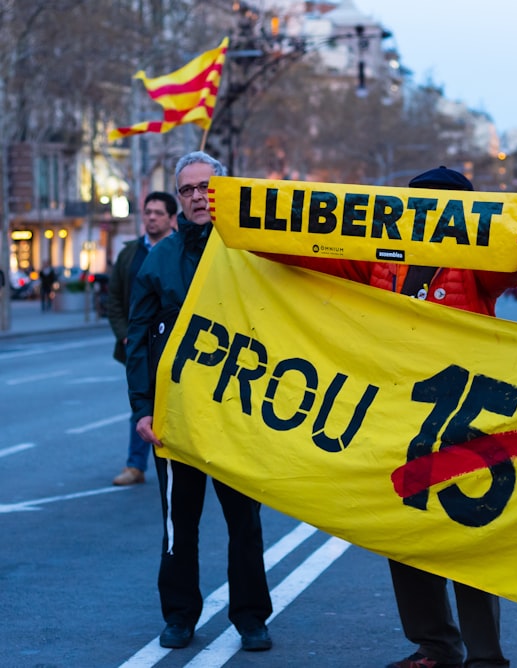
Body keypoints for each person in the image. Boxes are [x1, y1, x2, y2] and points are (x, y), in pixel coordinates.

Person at [263, 166, 517, 668]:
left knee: (465, 532)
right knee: (404, 528)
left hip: (460, 416)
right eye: (418, 206)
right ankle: (434, 645)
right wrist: (255, 232)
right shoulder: (382, 259)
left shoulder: (475, 262)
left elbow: (509, 270)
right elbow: (316, 253)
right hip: (398, 414)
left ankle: (485, 657)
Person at [126, 151, 273, 652]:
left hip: (236, 415)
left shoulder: (250, 251)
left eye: (204, 187)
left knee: (245, 524)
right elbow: (139, 337)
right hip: (177, 421)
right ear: (178, 198)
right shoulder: (158, 259)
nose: (196, 196)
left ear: (222, 190)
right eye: (186, 189)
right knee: (178, 526)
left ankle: (251, 616)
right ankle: (180, 616)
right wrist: (142, 407)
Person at [107, 191, 177, 486]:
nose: (151, 217)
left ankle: (186, 462)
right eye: (147, 212)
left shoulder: (182, 250)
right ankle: (135, 465)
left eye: (158, 212)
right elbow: (114, 300)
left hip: (176, 347)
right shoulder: (130, 254)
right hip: (139, 347)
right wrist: (125, 336)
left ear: (171, 218)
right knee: (141, 404)